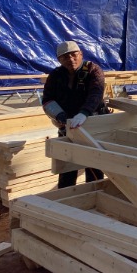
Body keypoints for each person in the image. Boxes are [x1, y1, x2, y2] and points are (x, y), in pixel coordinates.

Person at [42, 40, 109, 188]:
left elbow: (96, 94)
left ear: (81, 54)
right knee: (67, 167)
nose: (71, 59)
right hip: (67, 126)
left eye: (74, 55)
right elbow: (47, 99)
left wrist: (84, 113)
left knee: (94, 167)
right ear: (59, 60)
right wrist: (59, 115)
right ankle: (66, 195)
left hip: (92, 125)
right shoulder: (55, 75)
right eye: (65, 57)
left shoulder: (93, 70)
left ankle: (94, 194)